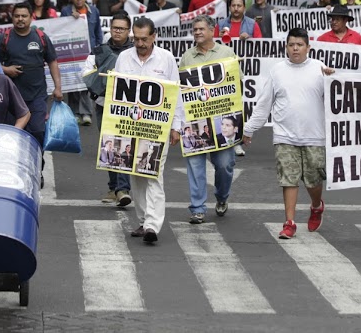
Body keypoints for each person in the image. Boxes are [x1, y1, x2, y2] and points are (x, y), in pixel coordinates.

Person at [243, 28, 328, 240]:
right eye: (291, 45)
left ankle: (316, 205)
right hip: (284, 136)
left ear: (308, 47)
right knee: (288, 179)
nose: (295, 48)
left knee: (313, 180)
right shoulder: (278, 70)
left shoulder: (320, 69)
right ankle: (289, 222)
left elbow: (338, 100)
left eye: (300, 44)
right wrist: (249, 129)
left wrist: (335, 79)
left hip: (314, 136)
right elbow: (264, 104)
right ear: (286, 47)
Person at [116, 18, 185, 245]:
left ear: (154, 36)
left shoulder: (166, 59)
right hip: (130, 127)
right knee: (136, 175)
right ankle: (144, 219)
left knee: (153, 174)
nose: (140, 43)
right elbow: (117, 93)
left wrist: (177, 126)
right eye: (136, 38)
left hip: (158, 128)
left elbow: (177, 94)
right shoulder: (124, 58)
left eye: (145, 38)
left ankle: (152, 226)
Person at [180, 15, 238, 223]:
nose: (197, 32)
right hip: (195, 121)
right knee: (195, 166)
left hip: (222, 120)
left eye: (201, 29)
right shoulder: (187, 57)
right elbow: (181, 89)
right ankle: (198, 208)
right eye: (194, 29)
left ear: (213, 30)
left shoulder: (226, 53)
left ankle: (222, 197)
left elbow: (236, 85)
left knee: (224, 165)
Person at [82, 11, 134, 207]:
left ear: (129, 31)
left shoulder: (136, 51)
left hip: (128, 108)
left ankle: (122, 189)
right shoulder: (98, 50)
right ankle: (114, 187)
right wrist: (101, 86)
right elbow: (87, 73)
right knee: (109, 144)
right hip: (104, 105)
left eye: (121, 28)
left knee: (123, 144)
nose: (117, 31)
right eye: (114, 28)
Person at [0, 2, 63, 155]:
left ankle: (37, 168)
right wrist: (7, 69)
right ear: (12, 17)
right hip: (11, 97)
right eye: (17, 16)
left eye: (24, 16)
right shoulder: (4, 38)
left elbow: (52, 61)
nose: (20, 19)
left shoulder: (41, 37)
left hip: (37, 96)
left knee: (38, 132)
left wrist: (58, 87)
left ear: (31, 17)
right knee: (11, 135)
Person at [61, 0, 102, 126]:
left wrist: (99, 50)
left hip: (89, 53)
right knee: (73, 83)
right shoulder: (66, 11)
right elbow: (60, 30)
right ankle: (74, 112)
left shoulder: (94, 11)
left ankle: (86, 113)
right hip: (72, 52)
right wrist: (69, 19)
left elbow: (98, 33)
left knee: (86, 82)